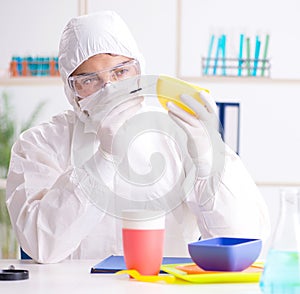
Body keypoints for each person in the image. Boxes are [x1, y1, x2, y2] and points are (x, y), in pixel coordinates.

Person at [5, 11, 270, 263]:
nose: (109, 88)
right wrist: (103, 159)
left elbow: (244, 243)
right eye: (89, 80)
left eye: (120, 72)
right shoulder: (39, 145)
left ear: (139, 70)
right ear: (71, 89)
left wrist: (207, 161)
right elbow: (41, 245)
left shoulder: (180, 132)